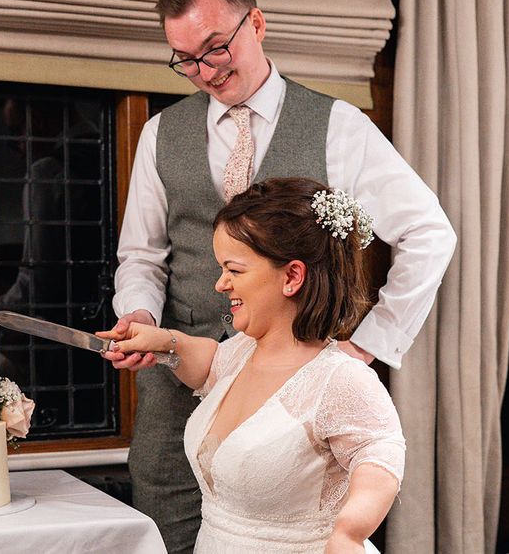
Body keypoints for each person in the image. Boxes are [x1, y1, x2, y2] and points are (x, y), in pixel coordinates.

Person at [112, 0, 456, 552]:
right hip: (181, 394)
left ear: (258, 24)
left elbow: (431, 234)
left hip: (296, 404)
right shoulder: (159, 134)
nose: (204, 71)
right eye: (185, 59)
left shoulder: (339, 127)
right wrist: (141, 317)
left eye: (215, 48)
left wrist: (367, 345)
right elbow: (142, 255)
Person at [102, 178, 406, 553]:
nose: (220, 284)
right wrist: (162, 342)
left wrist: (350, 533)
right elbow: (208, 360)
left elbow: (379, 459)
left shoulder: (341, 380)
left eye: (234, 270)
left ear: (292, 277)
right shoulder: (241, 353)